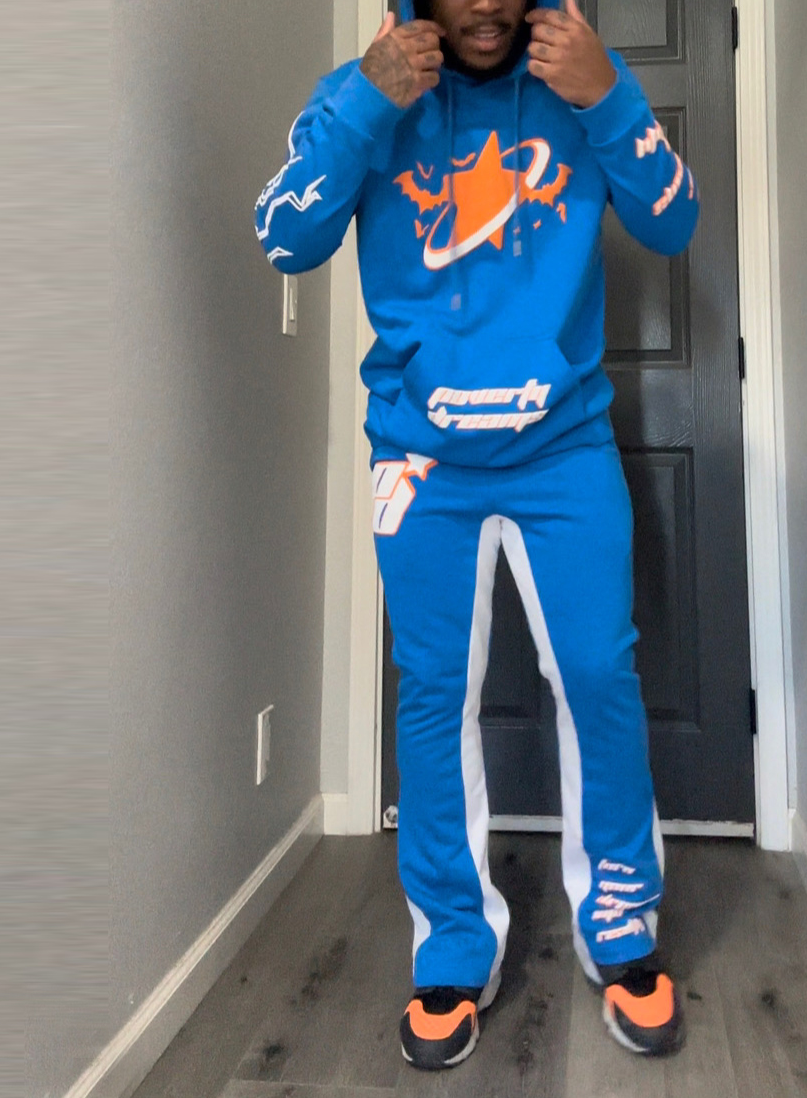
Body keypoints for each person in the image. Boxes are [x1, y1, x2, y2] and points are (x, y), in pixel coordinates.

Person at [255, 0, 699, 1071]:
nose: (487, 5)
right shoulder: (363, 90)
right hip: (422, 461)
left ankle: (621, 925)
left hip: (563, 450)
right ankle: (453, 944)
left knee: (599, 675)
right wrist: (367, 104)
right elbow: (283, 235)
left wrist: (608, 94)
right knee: (433, 691)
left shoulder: (582, 82)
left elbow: (673, 222)